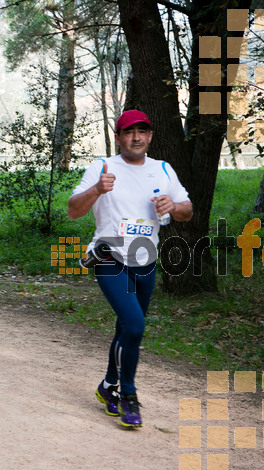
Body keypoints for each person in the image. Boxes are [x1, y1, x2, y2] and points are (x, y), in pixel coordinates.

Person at [67, 109, 193, 428]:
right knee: (135, 325)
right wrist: (96, 189)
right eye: (128, 132)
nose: (135, 137)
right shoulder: (103, 167)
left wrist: (174, 207)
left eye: (141, 131)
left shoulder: (162, 169)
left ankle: (108, 385)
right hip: (109, 255)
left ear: (150, 136)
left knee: (126, 329)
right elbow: (73, 211)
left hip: (145, 260)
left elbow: (187, 211)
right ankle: (128, 395)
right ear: (119, 137)